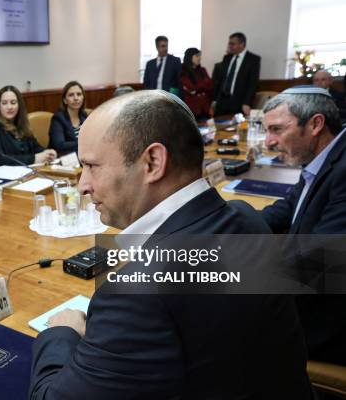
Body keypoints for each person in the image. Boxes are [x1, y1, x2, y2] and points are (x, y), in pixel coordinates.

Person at [29, 91, 312, 399]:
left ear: (153, 161)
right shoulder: (246, 218)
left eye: (92, 166)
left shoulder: (136, 297)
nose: (82, 185)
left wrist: (61, 332)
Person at [261, 86, 346, 366]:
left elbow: (319, 261)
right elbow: (286, 209)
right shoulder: (323, 158)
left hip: (327, 326)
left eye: (276, 130)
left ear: (315, 124)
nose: (267, 143)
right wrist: (226, 225)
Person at [0, 86, 56, 169]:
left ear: (19, 105)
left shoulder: (22, 124)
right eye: (4, 103)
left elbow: (36, 147)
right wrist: (34, 158)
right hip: (3, 178)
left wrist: (47, 153)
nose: (9, 107)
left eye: (13, 102)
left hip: (27, 173)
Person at [213, 32, 261, 116]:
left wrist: (247, 103)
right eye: (229, 43)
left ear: (242, 44)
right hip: (222, 101)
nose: (229, 46)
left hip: (238, 102)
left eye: (232, 44)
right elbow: (221, 80)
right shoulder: (227, 58)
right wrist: (215, 99)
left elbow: (253, 83)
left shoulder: (253, 59)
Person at [49, 81, 88, 154]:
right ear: (65, 100)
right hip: (64, 159)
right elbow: (60, 145)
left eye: (79, 94)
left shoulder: (84, 115)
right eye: (71, 95)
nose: (76, 98)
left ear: (83, 98)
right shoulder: (58, 118)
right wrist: (84, 143)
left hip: (82, 155)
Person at [180, 47, 213, 119]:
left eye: (200, 56)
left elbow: (210, 85)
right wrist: (204, 84)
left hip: (205, 108)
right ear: (190, 57)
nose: (199, 58)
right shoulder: (183, 71)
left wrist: (198, 87)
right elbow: (191, 88)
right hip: (192, 108)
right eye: (197, 56)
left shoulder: (202, 70)